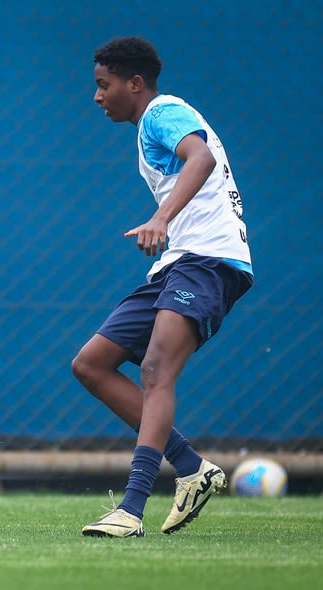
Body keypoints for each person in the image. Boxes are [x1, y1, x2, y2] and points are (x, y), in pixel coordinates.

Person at [73, 37, 253, 538]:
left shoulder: (162, 111)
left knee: (155, 370)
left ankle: (131, 510)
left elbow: (202, 159)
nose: (96, 96)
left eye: (102, 85)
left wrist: (160, 216)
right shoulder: (147, 127)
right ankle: (192, 467)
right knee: (91, 364)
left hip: (209, 261)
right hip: (179, 264)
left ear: (135, 84)